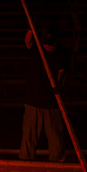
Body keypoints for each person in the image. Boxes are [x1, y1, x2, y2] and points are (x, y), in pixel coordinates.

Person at [18, 26, 66, 162]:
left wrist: (59, 85)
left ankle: (57, 162)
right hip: (33, 100)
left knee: (55, 136)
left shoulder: (61, 51)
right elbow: (27, 41)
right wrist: (30, 29)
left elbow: (62, 71)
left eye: (50, 45)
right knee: (29, 135)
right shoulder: (36, 49)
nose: (48, 47)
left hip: (52, 102)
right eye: (46, 44)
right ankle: (26, 162)